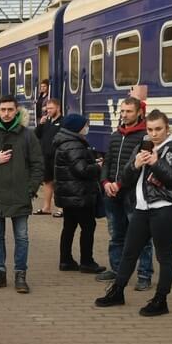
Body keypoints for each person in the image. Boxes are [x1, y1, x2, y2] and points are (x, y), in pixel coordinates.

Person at [95, 110, 172, 316]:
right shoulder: (142, 145)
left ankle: (160, 300)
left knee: (164, 257)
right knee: (129, 252)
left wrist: (156, 163)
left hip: (164, 210)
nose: (154, 134)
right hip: (140, 208)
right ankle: (117, 292)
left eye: (158, 129)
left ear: (167, 128)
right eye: (150, 129)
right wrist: (135, 165)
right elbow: (125, 178)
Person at [0, 96, 43, 293]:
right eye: (3, 109)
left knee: (22, 237)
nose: (6, 113)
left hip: (20, 195)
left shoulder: (28, 136)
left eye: (10, 110)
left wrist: (31, 189)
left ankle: (20, 275)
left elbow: (38, 165)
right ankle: (0, 274)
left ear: (17, 111)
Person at [97, 96, 154, 290]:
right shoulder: (115, 135)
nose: (124, 114)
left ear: (139, 113)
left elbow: (138, 167)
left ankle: (144, 275)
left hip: (133, 195)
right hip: (112, 194)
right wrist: (105, 182)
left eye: (129, 111)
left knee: (142, 238)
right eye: (122, 111)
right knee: (116, 235)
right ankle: (117, 270)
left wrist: (119, 184)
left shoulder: (145, 138)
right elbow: (108, 162)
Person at [53, 113, 106, 274]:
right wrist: (98, 167)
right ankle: (87, 262)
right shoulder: (74, 144)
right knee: (88, 227)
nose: (87, 127)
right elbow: (81, 170)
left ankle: (66, 260)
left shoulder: (65, 142)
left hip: (68, 193)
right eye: (85, 125)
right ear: (77, 127)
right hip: (79, 194)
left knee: (69, 227)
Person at [33, 98, 63, 216]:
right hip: (46, 156)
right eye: (47, 108)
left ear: (58, 108)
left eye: (51, 108)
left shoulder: (63, 122)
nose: (48, 111)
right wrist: (40, 124)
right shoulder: (46, 122)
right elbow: (36, 135)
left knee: (58, 182)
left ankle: (61, 208)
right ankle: (46, 207)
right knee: (47, 181)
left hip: (57, 156)